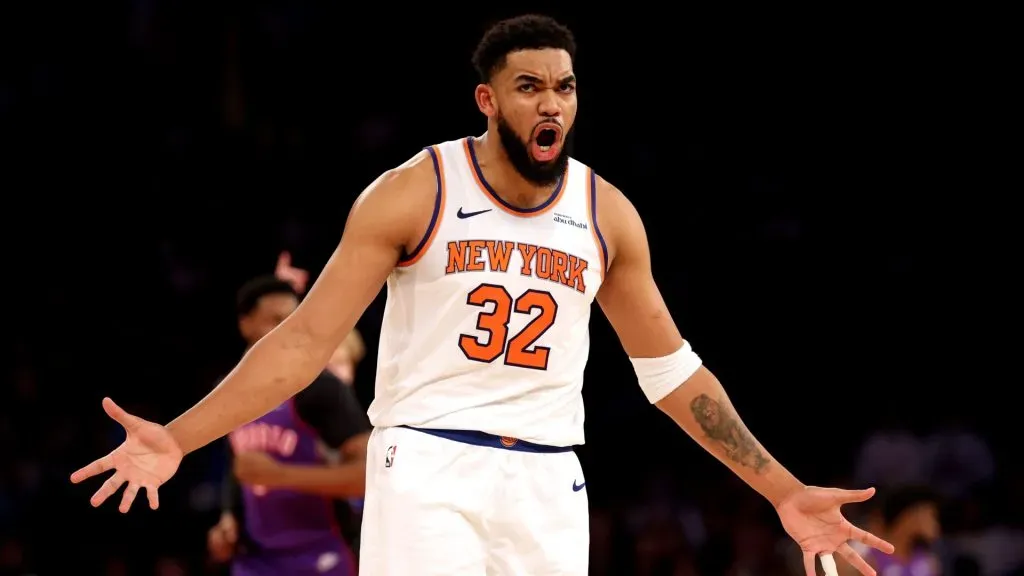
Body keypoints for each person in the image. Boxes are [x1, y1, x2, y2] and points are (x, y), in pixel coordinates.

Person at [71, 14, 895, 576]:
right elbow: (303, 343)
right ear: (489, 99)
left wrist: (782, 488)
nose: (553, 103)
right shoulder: (414, 191)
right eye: (531, 86)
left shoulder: (607, 214)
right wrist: (179, 439)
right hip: (428, 459)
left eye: (565, 87)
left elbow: (674, 376)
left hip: (549, 481)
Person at [206, 276, 371, 576]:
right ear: (245, 324)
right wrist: (228, 518)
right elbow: (240, 467)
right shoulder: (226, 390)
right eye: (275, 320)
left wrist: (281, 475)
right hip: (256, 559)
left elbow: (368, 476)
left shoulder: (322, 388)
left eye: (293, 319)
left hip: (324, 553)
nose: (287, 329)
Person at [840, 487, 941, 576]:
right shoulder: (863, 555)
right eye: (931, 515)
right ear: (911, 515)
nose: (935, 522)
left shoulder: (927, 561)